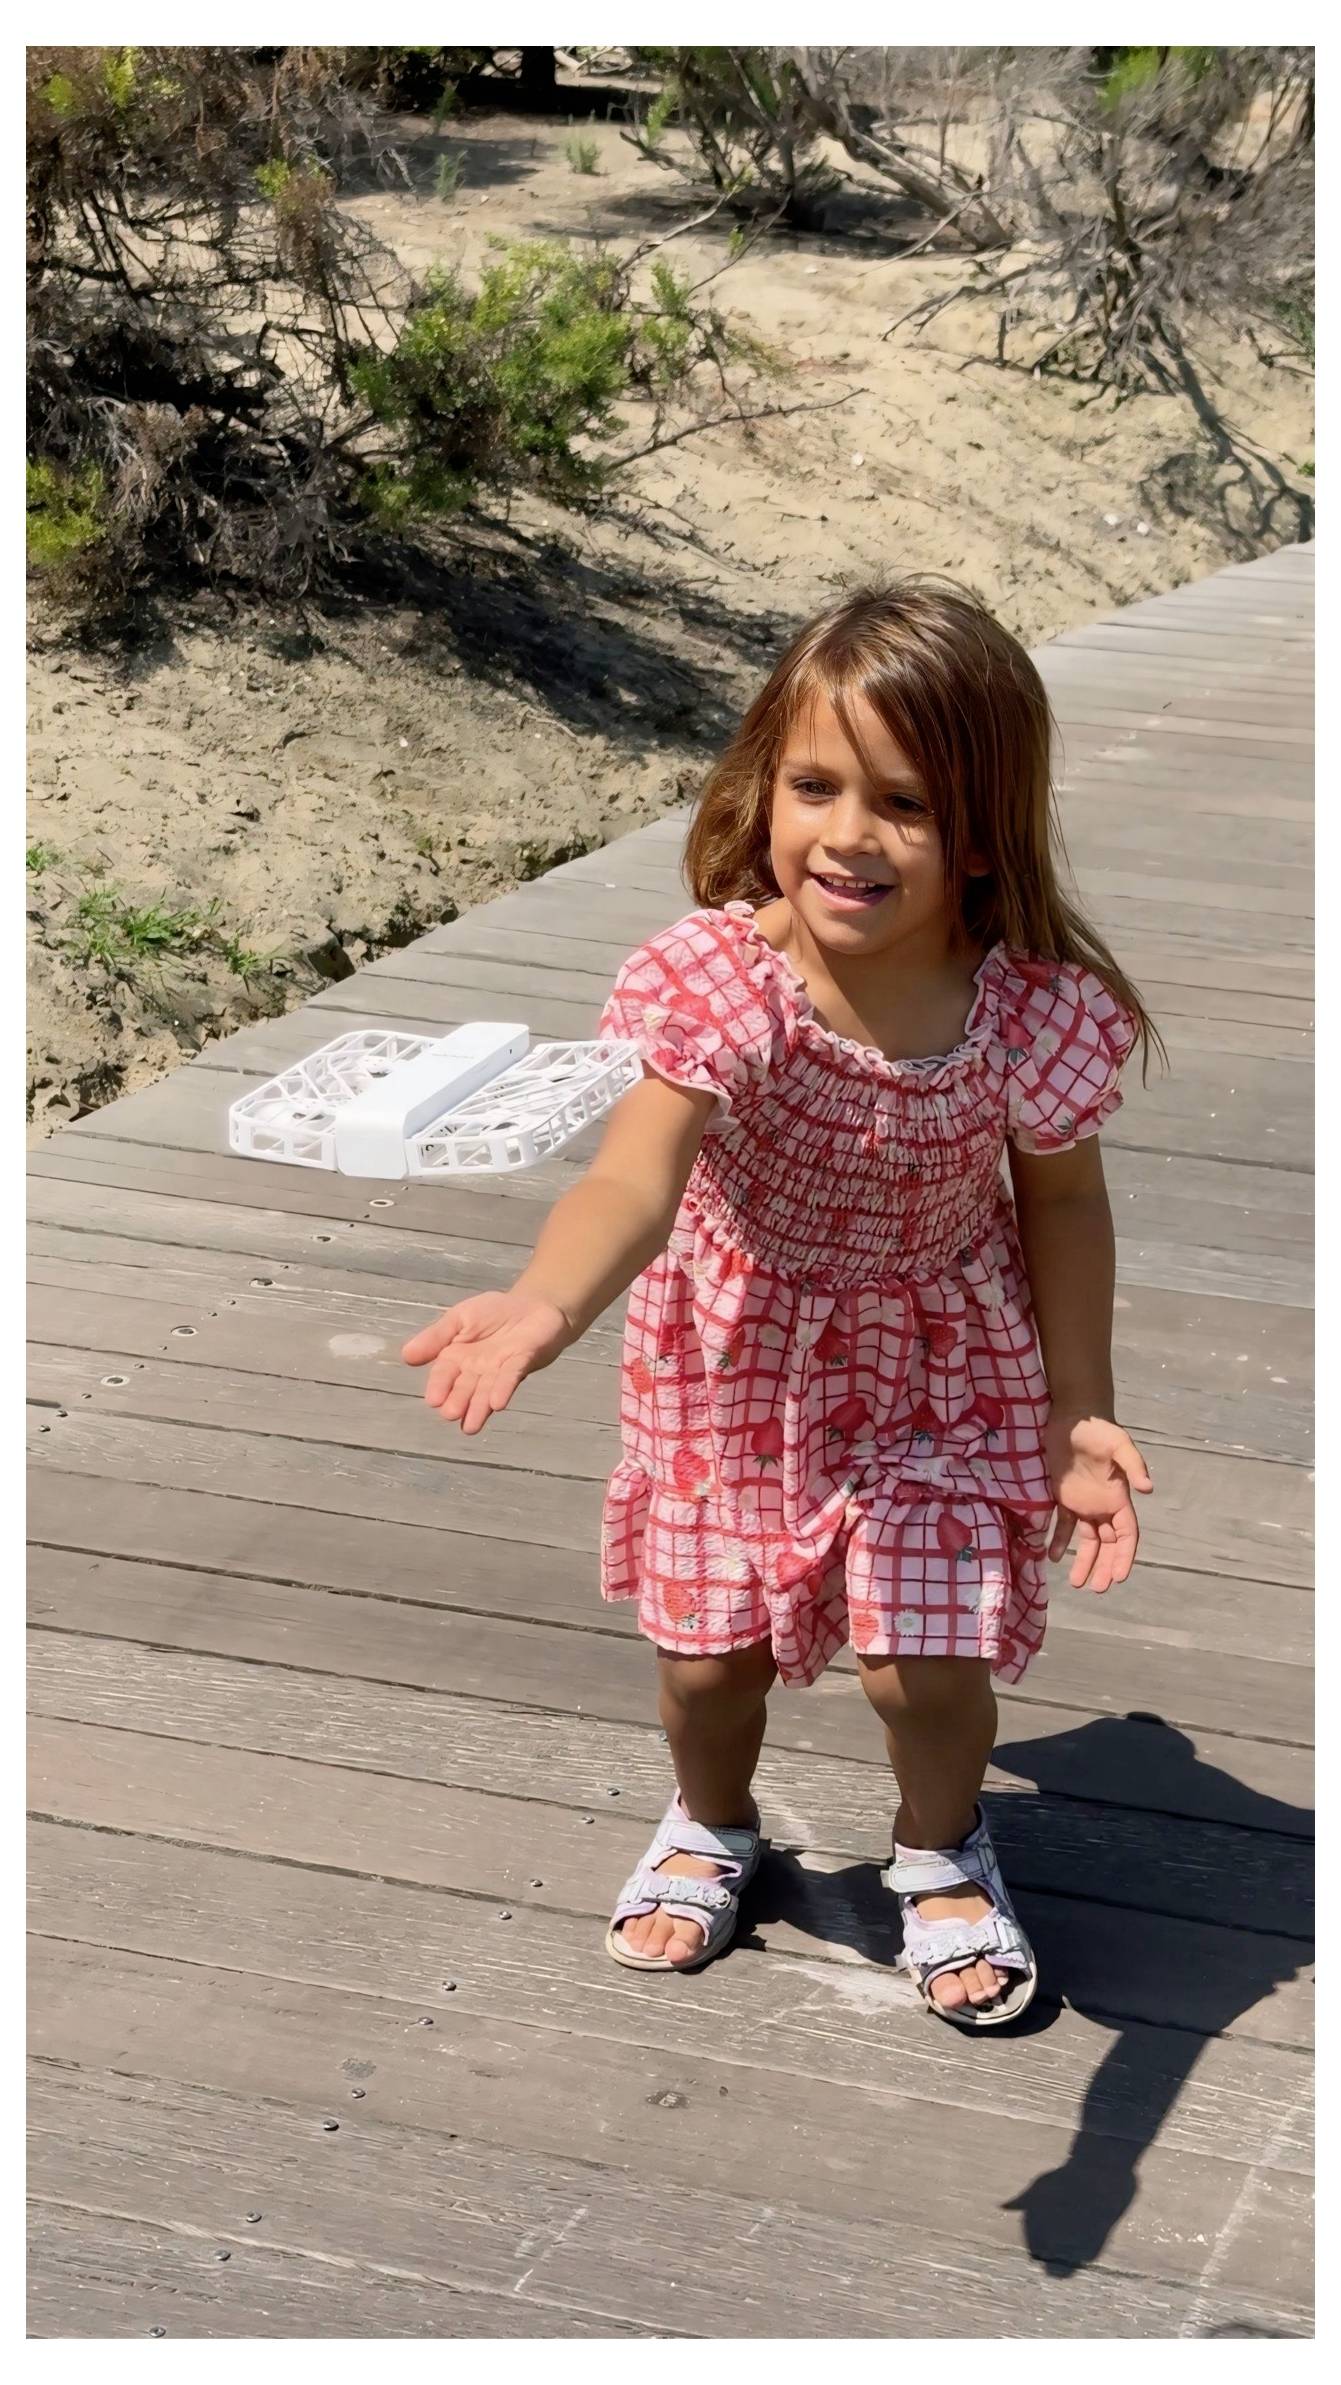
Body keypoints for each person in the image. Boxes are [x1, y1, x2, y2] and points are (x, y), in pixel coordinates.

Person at [403, 577, 1157, 2029]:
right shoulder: (724, 985)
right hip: (738, 1355)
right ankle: (713, 1821)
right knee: (705, 1659)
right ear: (766, 785)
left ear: (985, 829)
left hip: (942, 1355)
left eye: (904, 803)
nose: (847, 834)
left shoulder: (1026, 1009)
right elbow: (632, 1175)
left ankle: (942, 1850)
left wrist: (1078, 1405)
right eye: (814, 785)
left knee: (918, 1660)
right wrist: (546, 1303)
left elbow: (1060, 1202)